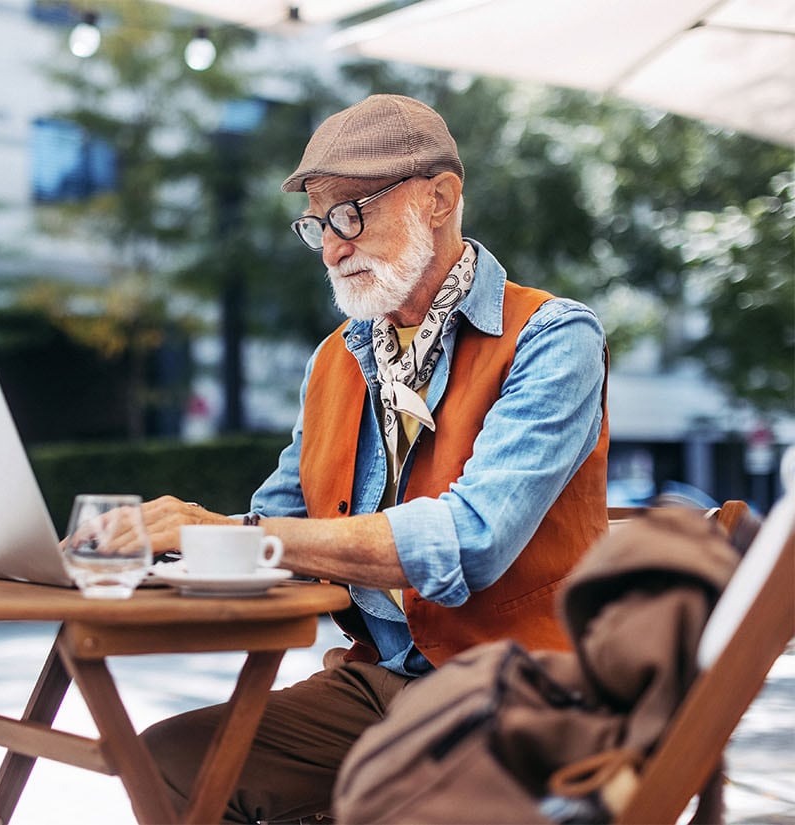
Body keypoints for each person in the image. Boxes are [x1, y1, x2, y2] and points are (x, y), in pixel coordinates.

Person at [131, 94, 610, 823]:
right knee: (167, 764)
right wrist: (156, 547)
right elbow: (282, 527)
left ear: (440, 199)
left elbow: (468, 539)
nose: (331, 246)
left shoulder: (553, 338)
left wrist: (235, 534)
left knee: (390, 796)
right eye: (318, 224)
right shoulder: (337, 358)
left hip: (519, 690)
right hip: (381, 682)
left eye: (351, 214)